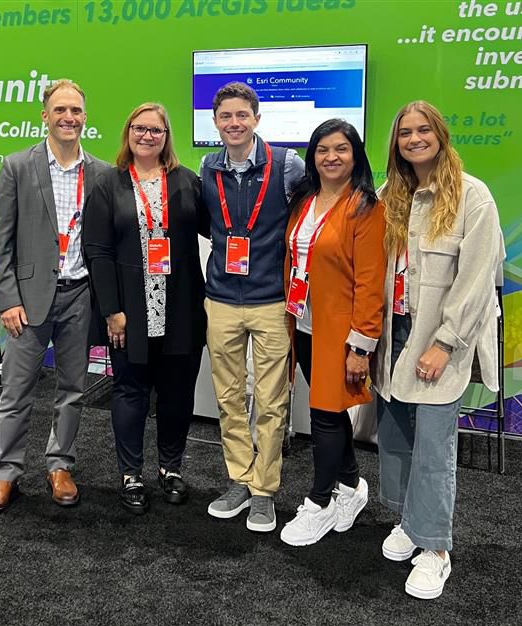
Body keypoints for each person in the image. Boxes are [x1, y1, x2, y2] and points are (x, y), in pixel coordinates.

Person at [373, 101, 502, 599]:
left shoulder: (473, 197)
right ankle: (410, 520)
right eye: (404, 132)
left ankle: (435, 549)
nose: (413, 139)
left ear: (440, 134)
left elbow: (475, 283)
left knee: (433, 447)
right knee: (396, 437)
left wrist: (446, 344)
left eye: (423, 129)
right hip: (394, 335)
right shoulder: (391, 194)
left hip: (439, 340)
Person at [0, 79, 112, 513]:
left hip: (80, 295)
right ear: (45, 115)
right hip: (29, 300)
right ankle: (5, 475)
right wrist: (7, 299)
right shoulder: (17, 166)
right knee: (16, 392)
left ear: (85, 117)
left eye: (75, 110)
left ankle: (60, 465)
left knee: (73, 388)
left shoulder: (101, 173)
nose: (68, 118)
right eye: (60, 110)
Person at [83, 103, 208, 514]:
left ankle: (170, 468)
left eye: (156, 130)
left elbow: (220, 228)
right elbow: (97, 251)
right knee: (131, 392)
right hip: (130, 313)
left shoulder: (188, 182)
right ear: (128, 132)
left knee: (176, 394)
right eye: (140, 128)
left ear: (166, 135)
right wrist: (111, 310)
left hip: (181, 308)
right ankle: (130, 473)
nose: (147, 136)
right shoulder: (107, 184)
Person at [201, 82, 305, 532]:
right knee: (228, 397)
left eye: (242, 115)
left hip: (271, 301)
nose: (234, 123)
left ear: (257, 119)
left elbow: (309, 219)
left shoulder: (287, 165)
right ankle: (239, 480)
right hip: (221, 298)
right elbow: (211, 225)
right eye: (226, 117)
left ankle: (265, 491)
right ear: (216, 122)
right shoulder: (207, 167)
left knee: (270, 399)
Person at [278, 119, 386, 546]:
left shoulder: (365, 207)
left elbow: (370, 281)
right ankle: (351, 485)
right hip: (303, 322)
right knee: (329, 409)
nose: (331, 157)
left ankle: (319, 502)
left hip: (339, 333)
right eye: (322, 149)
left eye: (340, 148)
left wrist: (361, 347)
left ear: (355, 154)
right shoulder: (304, 199)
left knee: (323, 414)